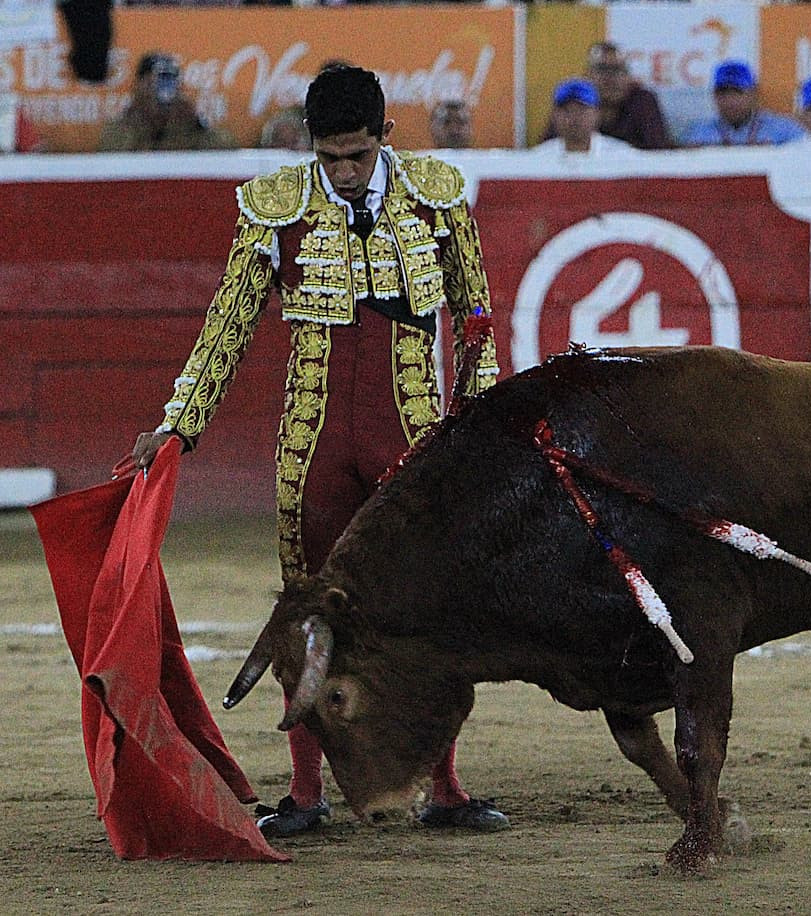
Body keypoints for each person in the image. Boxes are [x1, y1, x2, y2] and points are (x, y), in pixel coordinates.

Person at [129, 65, 507, 838]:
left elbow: (476, 316)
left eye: (356, 156)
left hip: (413, 436)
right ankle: (305, 792)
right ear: (312, 146)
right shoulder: (276, 208)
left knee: (425, 612)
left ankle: (445, 787)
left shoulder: (436, 195)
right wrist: (178, 424)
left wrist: (480, 426)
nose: (341, 172)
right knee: (306, 611)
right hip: (314, 438)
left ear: (383, 140)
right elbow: (227, 324)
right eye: (329, 157)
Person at [98, 52, 236, 151]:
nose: (164, 88)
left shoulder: (185, 124)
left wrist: (197, 123)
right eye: (158, 79)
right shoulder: (122, 126)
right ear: (140, 84)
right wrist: (141, 120)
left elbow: (226, 148)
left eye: (170, 79)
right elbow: (111, 155)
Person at [681, 59, 806, 147]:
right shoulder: (699, 133)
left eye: (737, 92)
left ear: (753, 94)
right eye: (723, 93)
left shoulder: (785, 131)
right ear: (714, 96)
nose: (730, 101)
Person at [531, 79, 634, 155]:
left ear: (597, 114)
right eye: (566, 110)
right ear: (554, 115)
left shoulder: (622, 155)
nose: (573, 117)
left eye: (582, 110)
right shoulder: (539, 157)